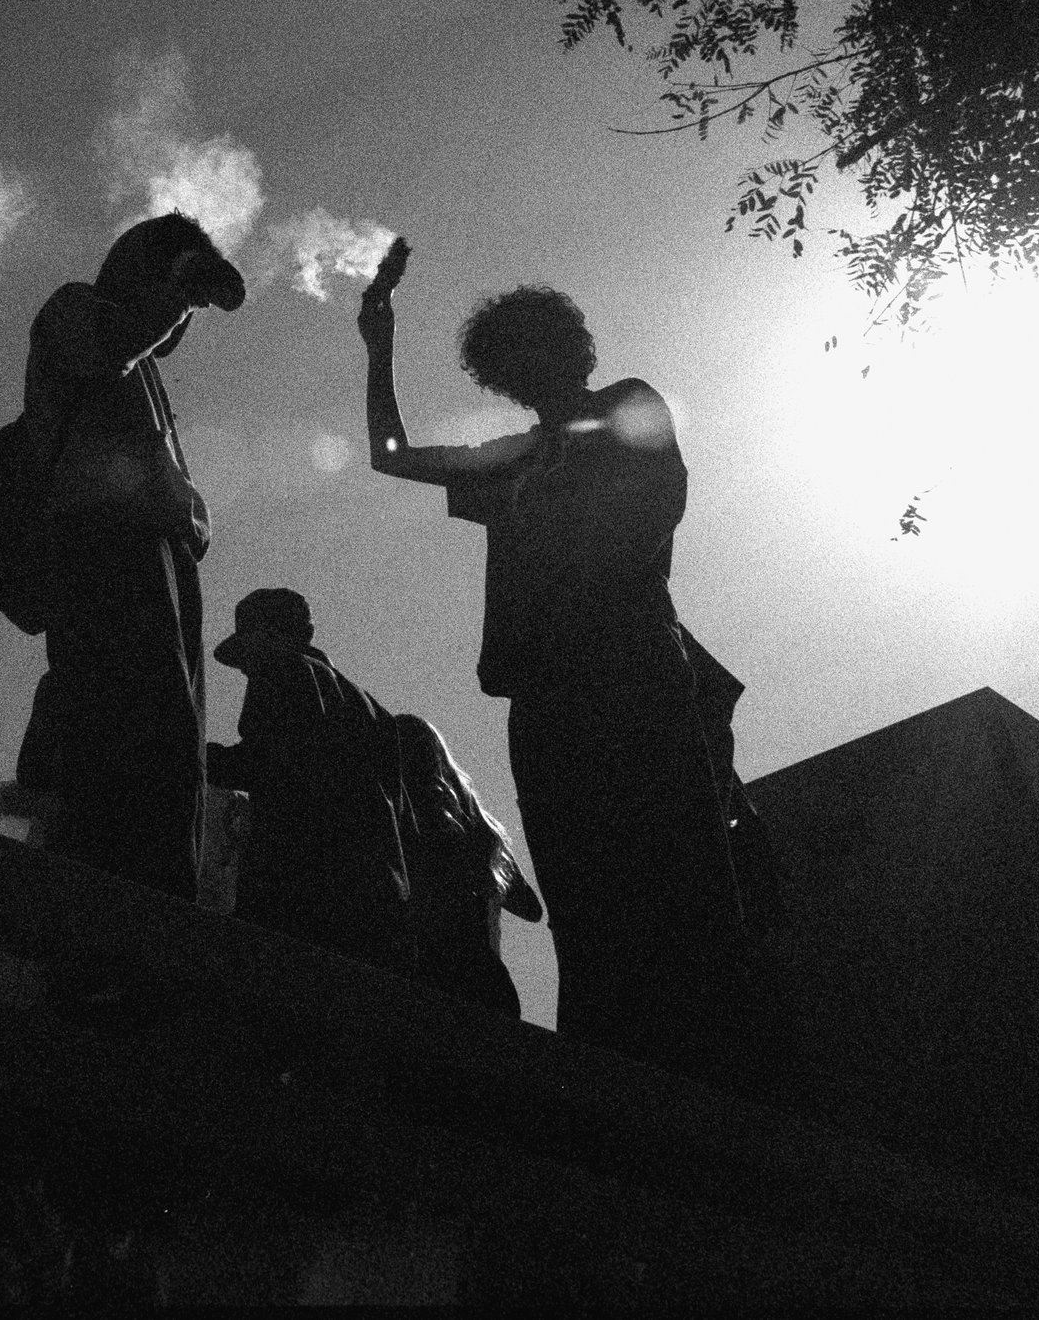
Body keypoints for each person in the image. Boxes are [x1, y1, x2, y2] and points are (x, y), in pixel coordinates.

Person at [355, 236, 781, 1091]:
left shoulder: (628, 403)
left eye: (530, 350)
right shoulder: (517, 456)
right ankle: (617, 1087)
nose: (521, 369)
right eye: (506, 360)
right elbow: (392, 458)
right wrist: (379, 343)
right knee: (587, 909)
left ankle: (733, 1084)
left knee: (677, 885)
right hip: (548, 698)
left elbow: (651, 510)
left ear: (567, 349)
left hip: (628, 671)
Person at [7, 213, 246, 903]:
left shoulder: (145, 374)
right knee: (126, 738)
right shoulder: (73, 307)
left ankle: (150, 923)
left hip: (153, 556)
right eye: (178, 282)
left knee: (171, 745)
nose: (184, 316)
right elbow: (111, 343)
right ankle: (108, 935)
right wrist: (179, 292)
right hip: (104, 548)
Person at [202, 589, 415, 975]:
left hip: (304, 894)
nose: (246, 669)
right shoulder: (376, 714)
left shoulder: (282, 670)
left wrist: (192, 754)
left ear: (267, 635)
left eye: (247, 649)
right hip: (381, 906)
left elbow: (263, 761)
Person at [393, 712, 543, 1019]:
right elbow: (531, 908)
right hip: (492, 984)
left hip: (436, 978)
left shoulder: (409, 822)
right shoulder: (484, 832)